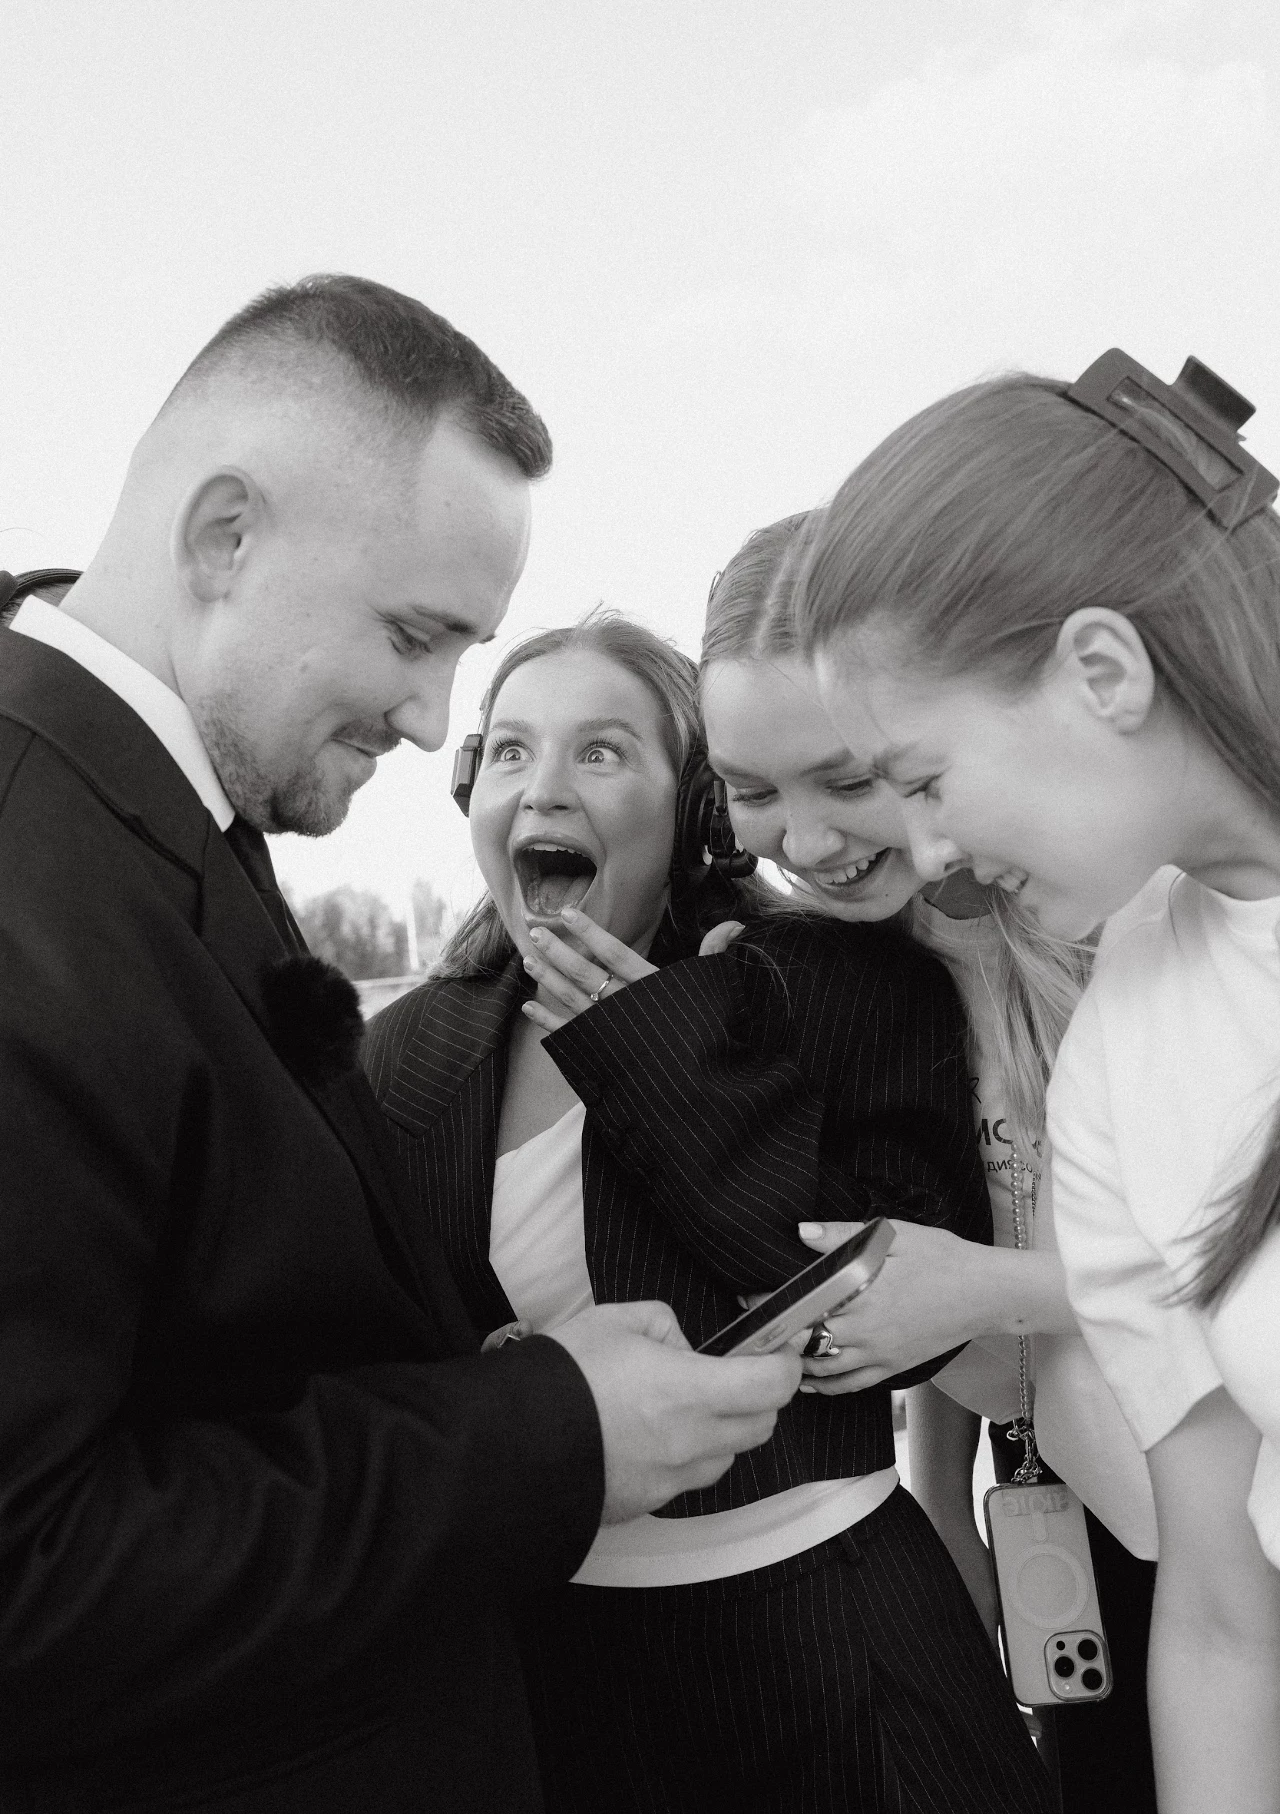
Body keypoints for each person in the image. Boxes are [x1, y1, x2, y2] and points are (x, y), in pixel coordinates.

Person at [0, 275, 800, 1813]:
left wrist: (502, 1374)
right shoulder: (30, 868)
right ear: (224, 538)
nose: (438, 725)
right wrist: (546, 1435)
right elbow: (32, 1574)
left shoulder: (151, 813)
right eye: (414, 636)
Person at [364, 610, 1054, 1814]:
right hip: (549, 1670)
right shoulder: (401, 1053)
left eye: (600, 750)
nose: (543, 788)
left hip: (834, 1651)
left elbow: (883, 1323)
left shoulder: (838, 984)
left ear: (693, 809)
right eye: (511, 751)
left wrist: (667, 1062)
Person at [789, 352, 1280, 1814]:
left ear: (1101, 672)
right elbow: (1222, 1609)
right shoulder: (1128, 1029)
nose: (923, 853)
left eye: (923, 779)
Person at [699, 514, 1160, 1810]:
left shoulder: (1125, 912)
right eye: (752, 790)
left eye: (845, 780)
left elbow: (1216, 1261)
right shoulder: (848, 971)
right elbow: (946, 1239)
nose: (804, 841)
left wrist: (988, 1292)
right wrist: (945, 1501)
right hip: (1071, 1517)